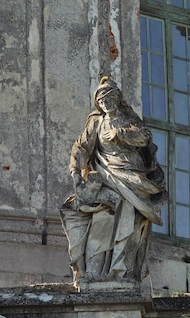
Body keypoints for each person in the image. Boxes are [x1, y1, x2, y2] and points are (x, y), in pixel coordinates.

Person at [60, 76, 165, 286]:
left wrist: (119, 133)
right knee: (104, 217)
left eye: (109, 98)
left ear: (117, 99)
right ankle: (97, 272)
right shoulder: (96, 122)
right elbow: (81, 148)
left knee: (131, 221)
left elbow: (144, 137)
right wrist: (74, 172)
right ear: (97, 103)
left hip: (132, 175)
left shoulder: (128, 119)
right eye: (101, 100)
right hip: (107, 173)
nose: (105, 103)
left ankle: (123, 272)